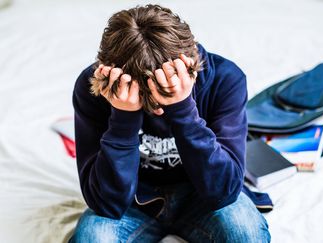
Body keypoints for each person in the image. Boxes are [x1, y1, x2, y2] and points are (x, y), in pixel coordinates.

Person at [70, 4, 271, 243]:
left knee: (245, 232)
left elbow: (224, 191)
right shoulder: (95, 86)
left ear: (191, 68)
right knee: (92, 238)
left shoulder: (225, 79)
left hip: (202, 196)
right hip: (132, 201)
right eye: (146, 99)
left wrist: (183, 109)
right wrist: (123, 116)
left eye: (163, 94)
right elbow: (106, 204)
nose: (157, 110)